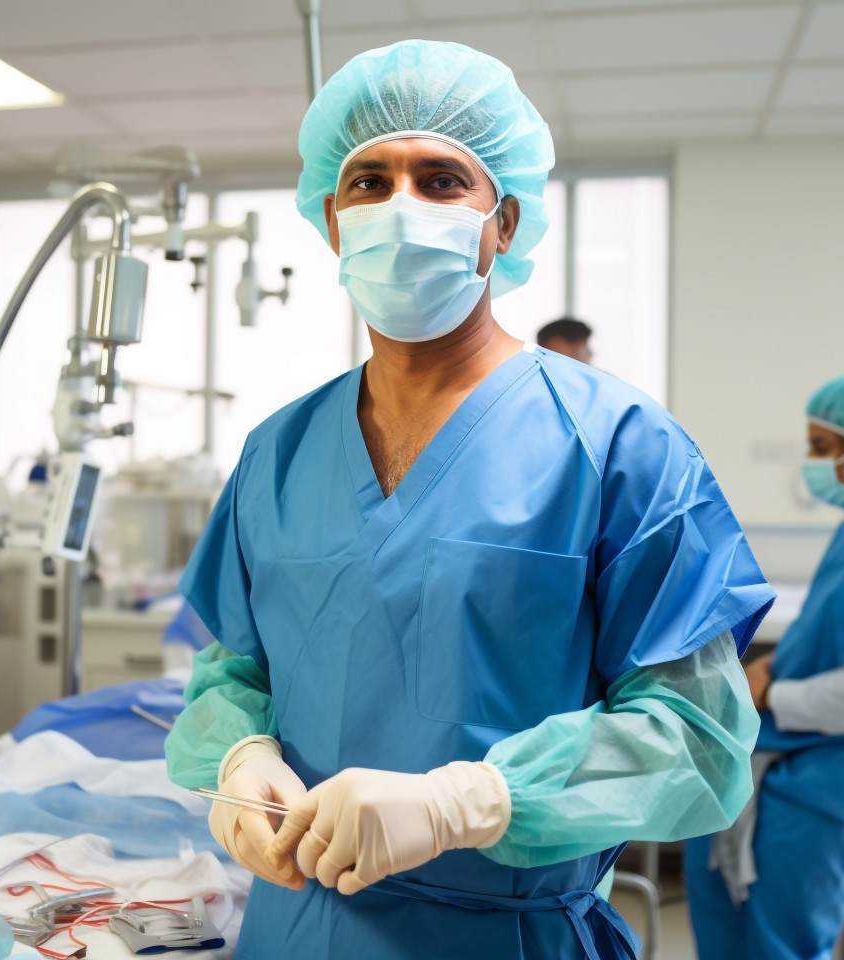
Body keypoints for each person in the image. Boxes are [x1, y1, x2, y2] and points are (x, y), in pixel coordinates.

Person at [165, 39, 775, 960]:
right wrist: (241, 761)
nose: (400, 207)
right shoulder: (276, 454)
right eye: (369, 181)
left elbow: (699, 740)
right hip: (294, 926)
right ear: (332, 220)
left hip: (507, 935)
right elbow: (235, 674)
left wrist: (470, 803)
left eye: (442, 180)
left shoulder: (616, 445)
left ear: (505, 222)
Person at [686, 374, 844, 960]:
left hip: (818, 779)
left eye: (824, 450)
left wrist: (771, 692)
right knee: (726, 927)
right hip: (768, 770)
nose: (814, 465)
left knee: (786, 940)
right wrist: (782, 663)